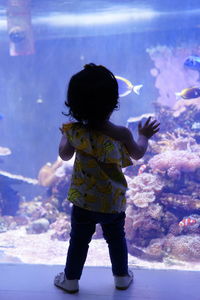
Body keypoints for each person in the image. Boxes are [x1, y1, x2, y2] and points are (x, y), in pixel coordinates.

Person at [54, 63, 160, 293]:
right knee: (116, 239)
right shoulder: (121, 133)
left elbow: (64, 155)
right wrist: (144, 136)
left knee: (79, 241)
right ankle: (121, 277)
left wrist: (66, 135)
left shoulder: (75, 131)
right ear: (114, 102)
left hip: (83, 201)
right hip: (112, 202)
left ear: (73, 104)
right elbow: (138, 153)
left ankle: (70, 280)